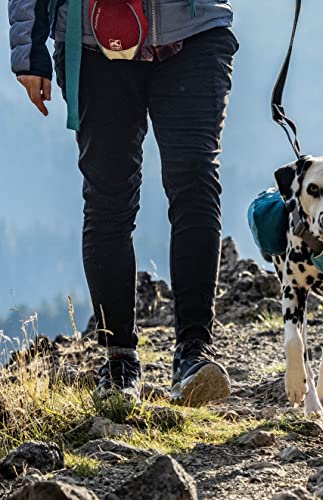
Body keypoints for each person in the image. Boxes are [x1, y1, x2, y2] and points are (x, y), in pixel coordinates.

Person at [9, 0, 239, 405]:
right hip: (93, 40)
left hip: (196, 31)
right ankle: (119, 362)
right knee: (109, 200)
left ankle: (194, 354)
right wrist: (28, 46)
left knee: (196, 180)